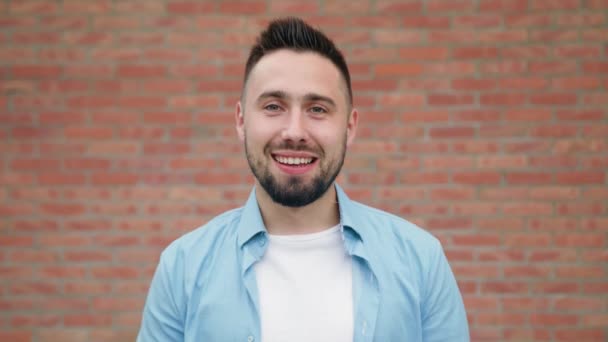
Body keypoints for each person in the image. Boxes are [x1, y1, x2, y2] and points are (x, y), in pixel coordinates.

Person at [137, 17, 469, 342]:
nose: (295, 132)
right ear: (241, 120)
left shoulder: (420, 261)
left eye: (318, 109)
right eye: (272, 106)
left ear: (349, 127)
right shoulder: (183, 267)